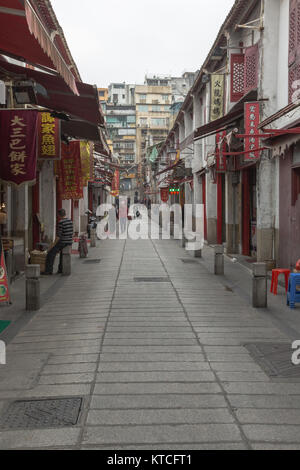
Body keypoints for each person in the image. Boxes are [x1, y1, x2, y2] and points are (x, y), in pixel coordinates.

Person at [43, 209, 73, 275]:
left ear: (59, 215)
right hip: (69, 241)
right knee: (62, 254)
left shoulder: (61, 222)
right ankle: (61, 269)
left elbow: (58, 236)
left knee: (51, 254)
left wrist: (53, 244)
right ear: (65, 214)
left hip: (63, 242)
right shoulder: (70, 221)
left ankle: (48, 270)